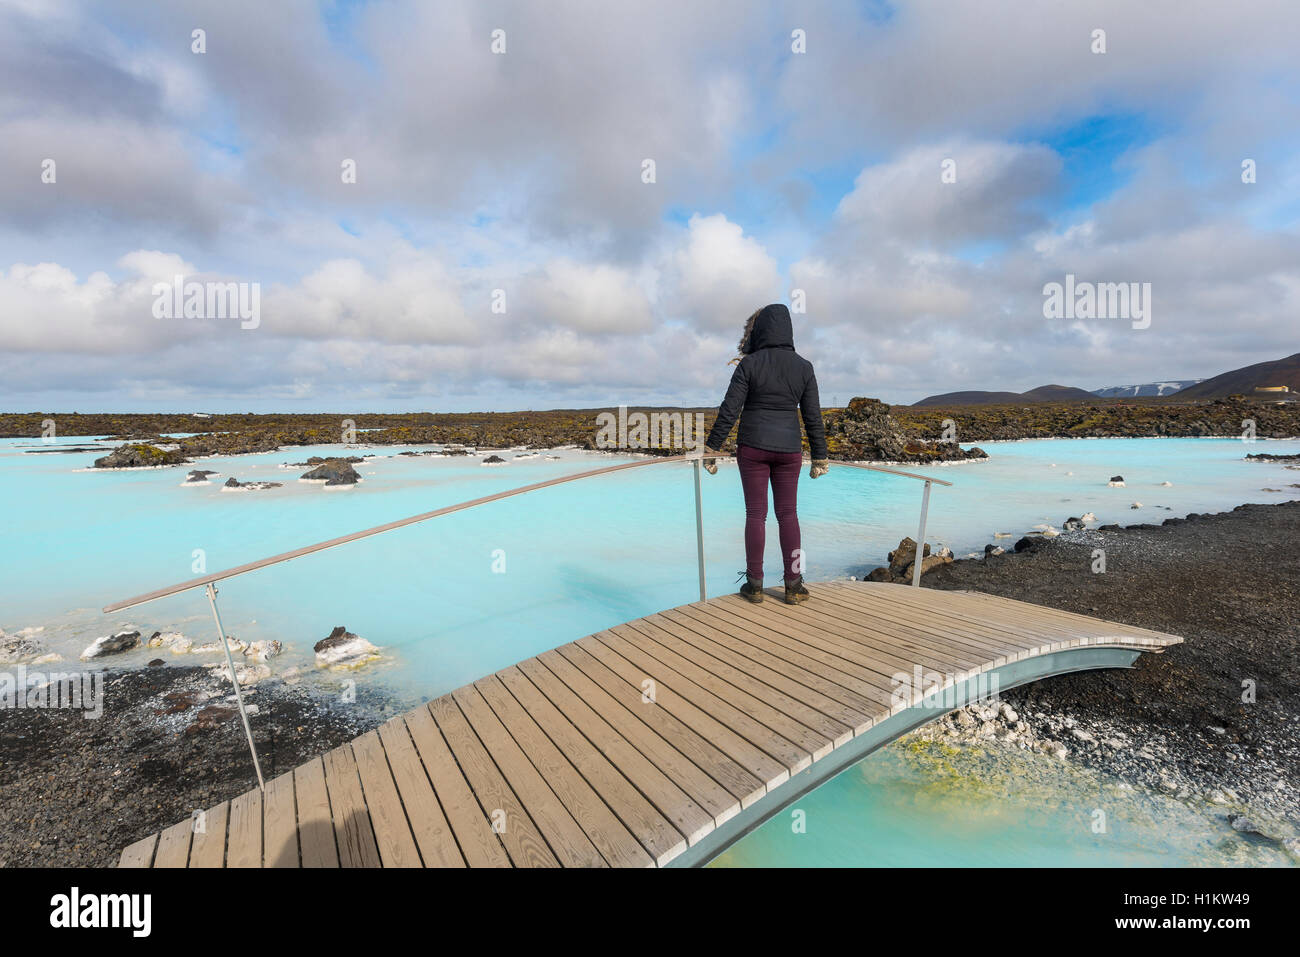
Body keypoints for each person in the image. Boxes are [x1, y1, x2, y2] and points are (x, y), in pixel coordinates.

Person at [701, 303, 828, 604]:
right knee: (789, 515)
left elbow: (729, 410)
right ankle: (793, 585)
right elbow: (813, 416)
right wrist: (820, 455)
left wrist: (712, 448)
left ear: (760, 330)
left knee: (755, 515)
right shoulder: (804, 367)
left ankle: (755, 584)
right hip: (789, 451)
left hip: (753, 447)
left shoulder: (750, 364)